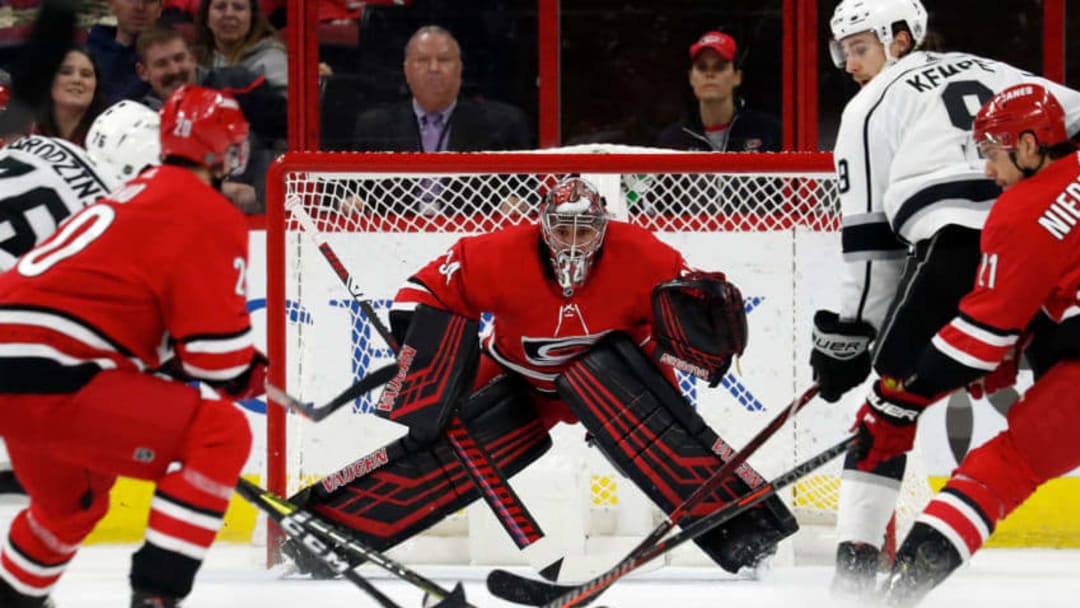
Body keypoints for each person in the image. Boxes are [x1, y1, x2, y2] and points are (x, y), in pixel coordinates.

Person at [283, 176, 799, 581]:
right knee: (442, 442)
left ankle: (749, 534)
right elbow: (423, 290)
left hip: (614, 375)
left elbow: (684, 315)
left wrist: (698, 339)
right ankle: (326, 533)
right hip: (517, 376)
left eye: (585, 230)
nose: (574, 242)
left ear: (604, 228)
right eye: (563, 229)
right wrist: (416, 340)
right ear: (542, 226)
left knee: (666, 438)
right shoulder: (498, 253)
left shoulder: (645, 255)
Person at [809, 0, 1080, 595]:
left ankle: (852, 581)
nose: (850, 64)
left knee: (890, 408)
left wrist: (852, 335)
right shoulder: (1011, 75)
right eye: (842, 51)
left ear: (901, 39)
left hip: (957, 242)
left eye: (859, 46)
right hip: (1054, 252)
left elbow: (874, 246)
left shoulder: (869, 105)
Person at [0, 84, 263, 608]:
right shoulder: (205, 210)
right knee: (220, 433)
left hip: (18, 367)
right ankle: (156, 598)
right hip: (57, 369)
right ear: (227, 151)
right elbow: (215, 357)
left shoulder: (130, 195)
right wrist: (245, 371)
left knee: (70, 507)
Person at [135, 25, 286, 212]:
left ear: (192, 58)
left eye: (179, 59)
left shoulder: (239, 85)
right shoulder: (140, 121)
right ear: (143, 72)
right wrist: (220, 190)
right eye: (162, 64)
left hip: (266, 218)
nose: (174, 70)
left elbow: (292, 133)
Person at [350, 25, 531, 152]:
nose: (434, 68)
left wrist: (517, 201)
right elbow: (351, 190)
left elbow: (529, 190)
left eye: (444, 60)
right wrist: (351, 200)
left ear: (460, 68)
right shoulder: (374, 127)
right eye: (422, 60)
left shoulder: (502, 124)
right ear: (406, 69)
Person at [656, 30, 782, 152]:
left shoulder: (769, 132)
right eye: (702, 67)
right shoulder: (673, 140)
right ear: (691, 78)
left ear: (737, 77)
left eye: (720, 67)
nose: (710, 74)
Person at [192, 0, 288, 97]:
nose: (229, 14)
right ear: (206, 18)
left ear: (252, 18)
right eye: (220, 7)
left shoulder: (272, 60)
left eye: (238, 8)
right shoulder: (192, 61)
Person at [87, 0, 164, 105]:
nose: (140, 7)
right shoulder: (85, 56)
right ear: (112, 4)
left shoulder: (173, 61)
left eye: (149, 1)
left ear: (160, 7)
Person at [33, 48, 107, 146]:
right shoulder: (24, 130)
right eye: (66, 72)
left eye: (86, 75)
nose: (76, 80)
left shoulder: (107, 138)